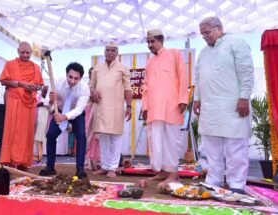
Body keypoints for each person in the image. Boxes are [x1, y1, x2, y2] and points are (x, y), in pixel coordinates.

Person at [193, 17, 254, 194]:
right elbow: (198, 77)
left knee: (235, 147)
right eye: (202, 33)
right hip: (210, 107)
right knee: (212, 146)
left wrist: (244, 97)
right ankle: (214, 179)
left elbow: (246, 71)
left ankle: (236, 184)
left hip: (232, 105)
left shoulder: (236, 43)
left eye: (207, 32)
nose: (204, 36)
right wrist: (197, 98)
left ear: (219, 28)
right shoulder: (204, 52)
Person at [142, 29, 188, 191]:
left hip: (171, 105)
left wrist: (183, 98)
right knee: (156, 140)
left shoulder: (174, 53)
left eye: (152, 41)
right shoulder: (149, 61)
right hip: (154, 107)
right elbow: (146, 86)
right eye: (148, 42)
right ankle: (162, 171)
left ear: (161, 40)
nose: (149, 45)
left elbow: (183, 75)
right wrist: (145, 106)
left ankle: (173, 173)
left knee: (171, 140)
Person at [39, 62, 90, 179]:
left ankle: (80, 169)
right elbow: (47, 102)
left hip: (76, 114)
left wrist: (65, 117)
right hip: (59, 111)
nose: (72, 81)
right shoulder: (56, 82)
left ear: (81, 78)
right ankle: (50, 167)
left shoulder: (85, 89)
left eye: (76, 78)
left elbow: (79, 109)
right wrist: (51, 103)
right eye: (70, 77)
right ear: (66, 74)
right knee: (51, 135)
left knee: (81, 136)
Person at [0, 42, 44, 170]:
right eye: (22, 52)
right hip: (14, 101)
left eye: (28, 53)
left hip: (28, 102)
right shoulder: (10, 64)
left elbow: (40, 84)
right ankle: (9, 159)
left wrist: (36, 87)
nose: (25, 55)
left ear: (31, 53)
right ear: (17, 51)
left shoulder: (35, 67)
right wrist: (20, 84)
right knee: (11, 129)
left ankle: (24, 161)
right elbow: (3, 81)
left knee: (27, 131)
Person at [90, 42, 132, 178]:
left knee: (115, 138)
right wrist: (93, 92)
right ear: (104, 51)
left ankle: (112, 168)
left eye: (113, 50)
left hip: (116, 108)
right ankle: (104, 166)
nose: (110, 52)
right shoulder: (97, 68)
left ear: (117, 53)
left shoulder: (123, 68)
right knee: (103, 138)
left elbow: (128, 88)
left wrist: (129, 106)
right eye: (107, 50)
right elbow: (91, 86)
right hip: (101, 106)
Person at [84, 67, 100, 171]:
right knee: (86, 135)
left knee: (96, 137)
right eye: (90, 73)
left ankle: (95, 159)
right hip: (87, 112)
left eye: (93, 73)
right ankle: (87, 160)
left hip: (97, 112)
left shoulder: (99, 86)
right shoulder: (85, 86)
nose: (91, 75)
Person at [34, 85, 49, 162]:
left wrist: (47, 105)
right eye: (44, 90)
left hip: (45, 120)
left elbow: (51, 107)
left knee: (41, 137)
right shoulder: (37, 97)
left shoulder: (48, 99)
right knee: (35, 137)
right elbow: (33, 105)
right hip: (37, 119)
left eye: (47, 91)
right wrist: (38, 104)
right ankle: (34, 155)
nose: (45, 92)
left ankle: (39, 156)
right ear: (42, 90)